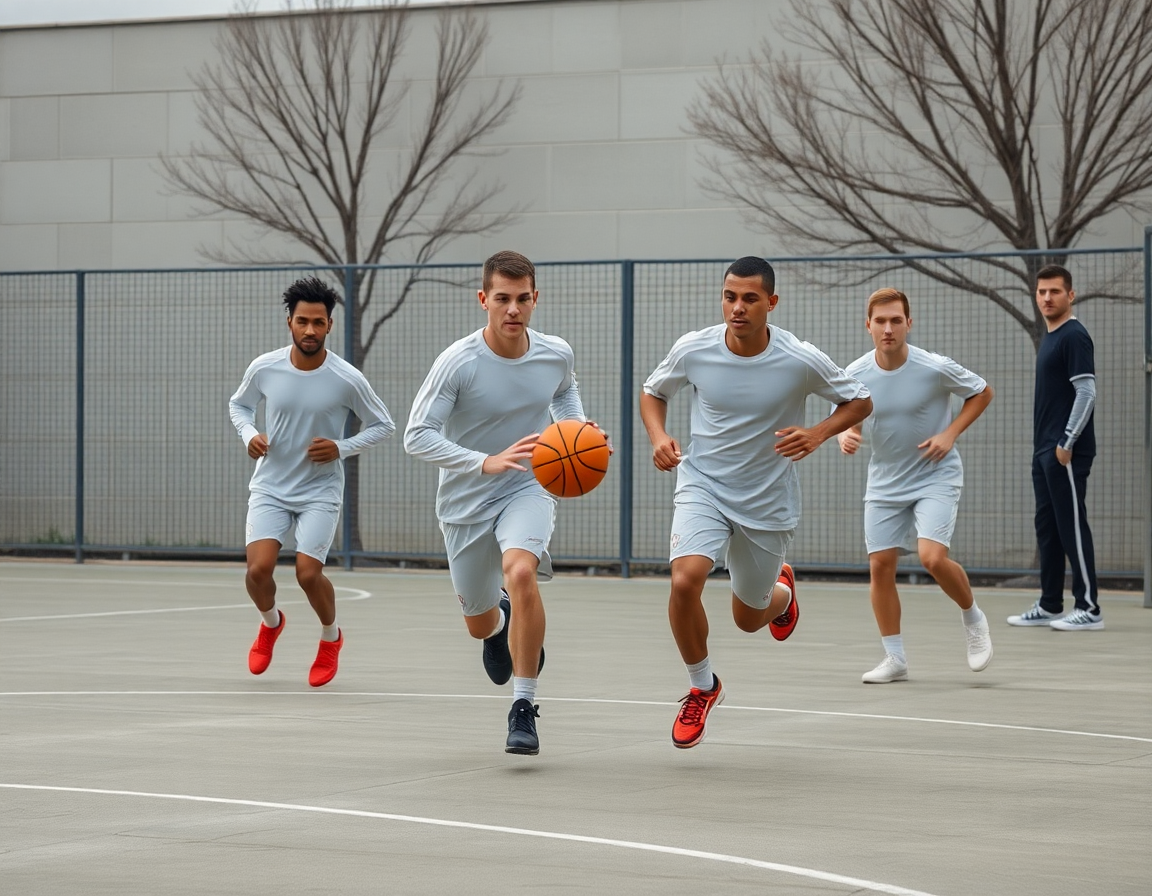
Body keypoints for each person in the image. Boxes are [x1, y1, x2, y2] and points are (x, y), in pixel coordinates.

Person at [641, 256, 872, 749]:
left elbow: (860, 401)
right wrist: (659, 436)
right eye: (730, 297)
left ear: (772, 302)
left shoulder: (799, 358)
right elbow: (653, 392)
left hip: (767, 502)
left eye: (749, 298)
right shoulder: (694, 348)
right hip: (703, 485)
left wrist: (818, 433)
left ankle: (782, 592)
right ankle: (703, 687)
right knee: (684, 580)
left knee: (748, 619)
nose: (737, 308)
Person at [404, 250, 604, 756]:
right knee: (479, 622)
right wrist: (483, 461)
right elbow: (416, 436)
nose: (513, 309)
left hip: (527, 484)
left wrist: (576, 431)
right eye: (502, 299)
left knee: (520, 570)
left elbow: (564, 393)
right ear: (483, 300)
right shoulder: (459, 363)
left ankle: (523, 706)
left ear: (535, 299)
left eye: (522, 299)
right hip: (466, 500)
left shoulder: (555, 353)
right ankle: (498, 623)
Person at [229, 277, 395, 687]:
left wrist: (341, 447)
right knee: (257, 571)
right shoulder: (265, 367)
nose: (309, 330)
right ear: (289, 321)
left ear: (329, 325)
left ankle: (330, 637)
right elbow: (239, 406)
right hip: (271, 487)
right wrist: (249, 435)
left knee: (307, 574)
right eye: (302, 321)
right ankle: (271, 623)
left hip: (319, 491)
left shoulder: (347, 378)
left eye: (318, 322)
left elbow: (384, 425)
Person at [837, 288, 994, 683]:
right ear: (868, 326)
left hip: (935, 475)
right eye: (880, 321)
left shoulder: (934, 367)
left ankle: (973, 618)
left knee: (932, 558)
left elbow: (982, 392)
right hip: (885, 482)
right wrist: (847, 434)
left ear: (909, 323)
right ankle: (895, 659)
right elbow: (847, 415)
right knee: (880, 567)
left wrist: (950, 434)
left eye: (896, 320)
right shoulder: (855, 373)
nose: (888, 328)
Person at [1008, 264, 1102, 630]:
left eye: (1055, 291)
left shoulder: (1074, 336)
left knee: (1071, 526)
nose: (1047, 298)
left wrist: (1066, 442)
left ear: (1070, 295)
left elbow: (1086, 392)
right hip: (1045, 451)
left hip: (1065, 452)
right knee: (1047, 527)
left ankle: (1089, 608)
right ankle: (1049, 604)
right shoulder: (1051, 336)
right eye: (1042, 292)